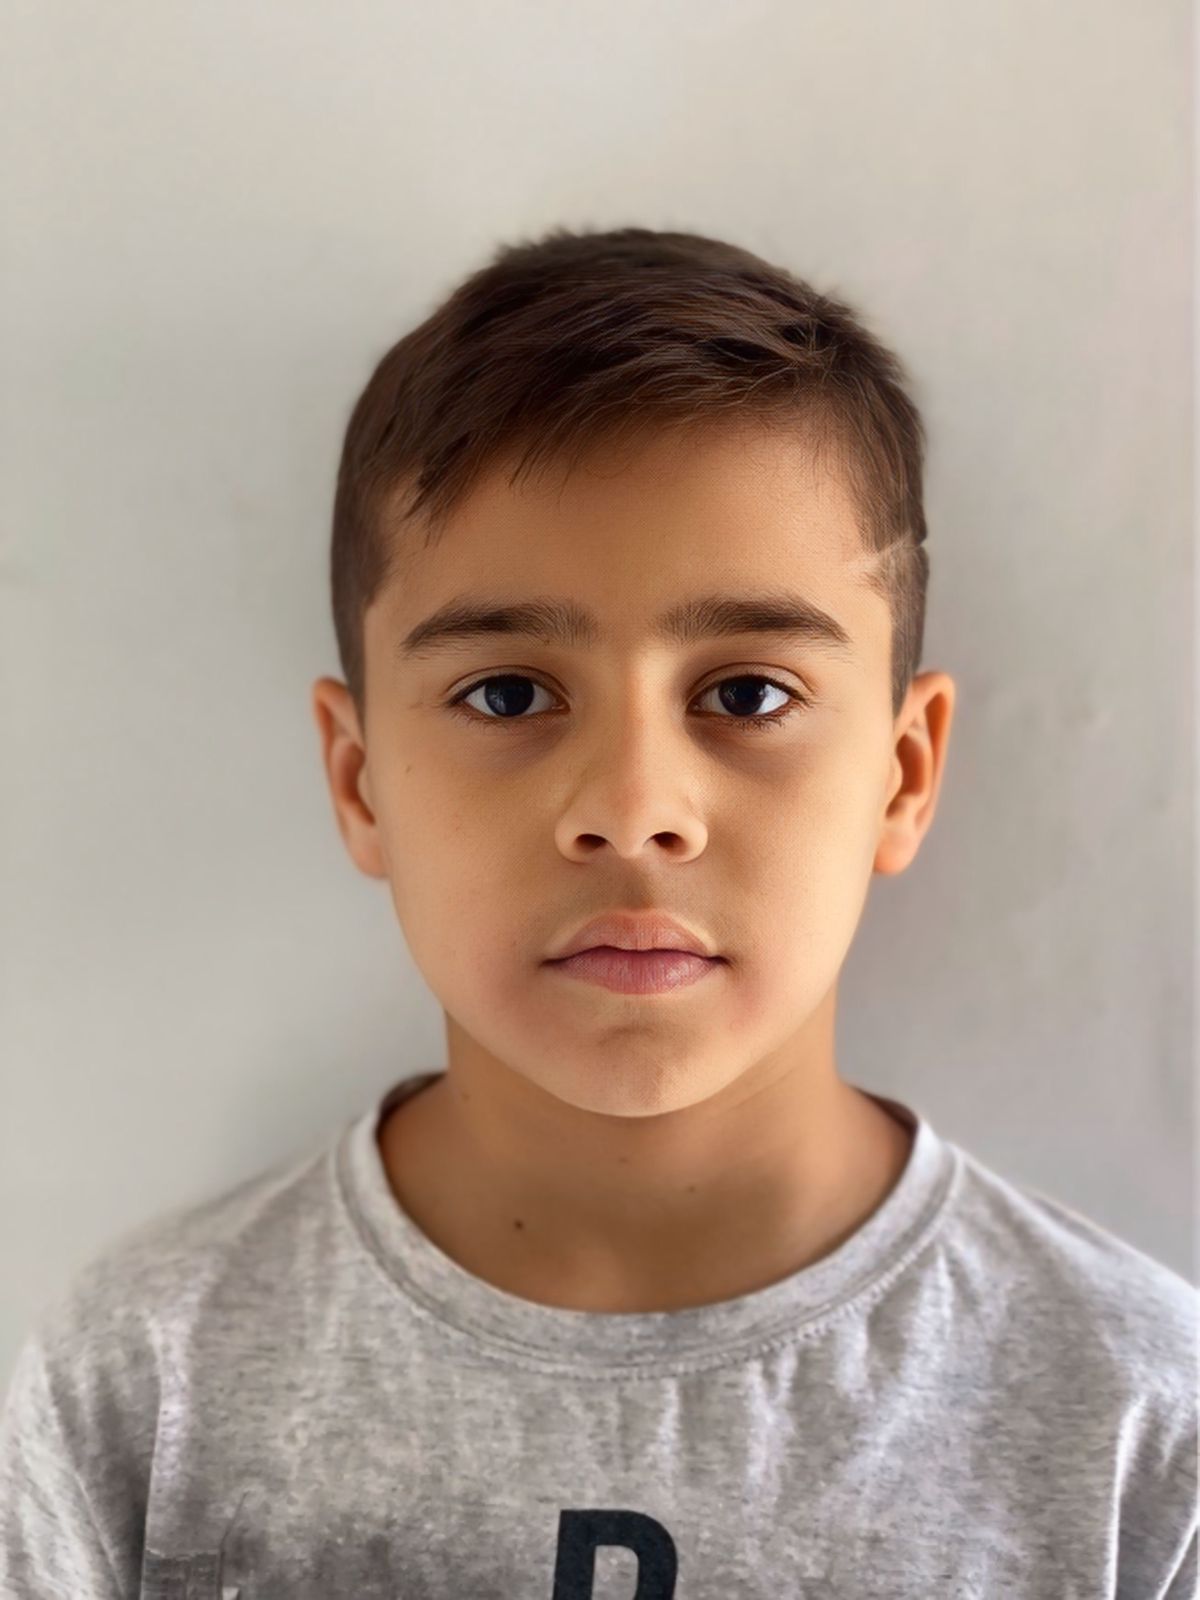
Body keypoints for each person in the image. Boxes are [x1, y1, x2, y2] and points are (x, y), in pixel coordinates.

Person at [1, 225, 1195, 1598]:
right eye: (508, 694)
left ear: (903, 774)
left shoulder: (1138, 1432)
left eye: (747, 694)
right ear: (359, 779)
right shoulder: (142, 1393)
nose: (633, 810)